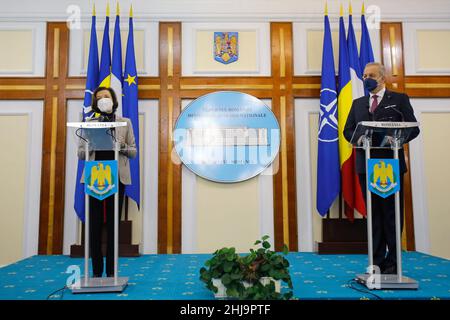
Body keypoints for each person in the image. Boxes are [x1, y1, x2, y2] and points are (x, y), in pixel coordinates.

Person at [343, 62, 420, 275]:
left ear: (382, 78)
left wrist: (397, 140)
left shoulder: (399, 100)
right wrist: (359, 139)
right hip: (367, 166)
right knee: (374, 214)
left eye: (372, 75)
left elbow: (413, 128)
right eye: (365, 75)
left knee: (392, 214)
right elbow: (348, 130)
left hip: (390, 165)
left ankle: (393, 262)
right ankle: (376, 261)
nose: (367, 78)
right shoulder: (358, 103)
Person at [78, 87, 137, 278]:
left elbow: (134, 151)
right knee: (94, 224)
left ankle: (111, 272)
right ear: (95, 103)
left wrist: (120, 147)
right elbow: (80, 153)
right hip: (95, 176)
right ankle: (95, 272)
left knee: (113, 224)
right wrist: (91, 145)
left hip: (116, 177)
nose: (103, 99)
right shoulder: (88, 123)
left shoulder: (124, 122)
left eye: (106, 96)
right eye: (99, 98)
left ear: (113, 100)